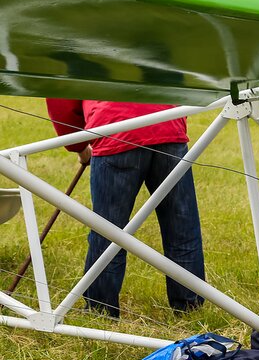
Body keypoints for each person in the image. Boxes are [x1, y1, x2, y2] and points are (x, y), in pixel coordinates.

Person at [46, 99, 205, 318]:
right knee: (182, 227)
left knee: (108, 232)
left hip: (115, 130)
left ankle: (101, 309)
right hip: (167, 126)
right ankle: (190, 306)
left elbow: (61, 100)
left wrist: (78, 146)